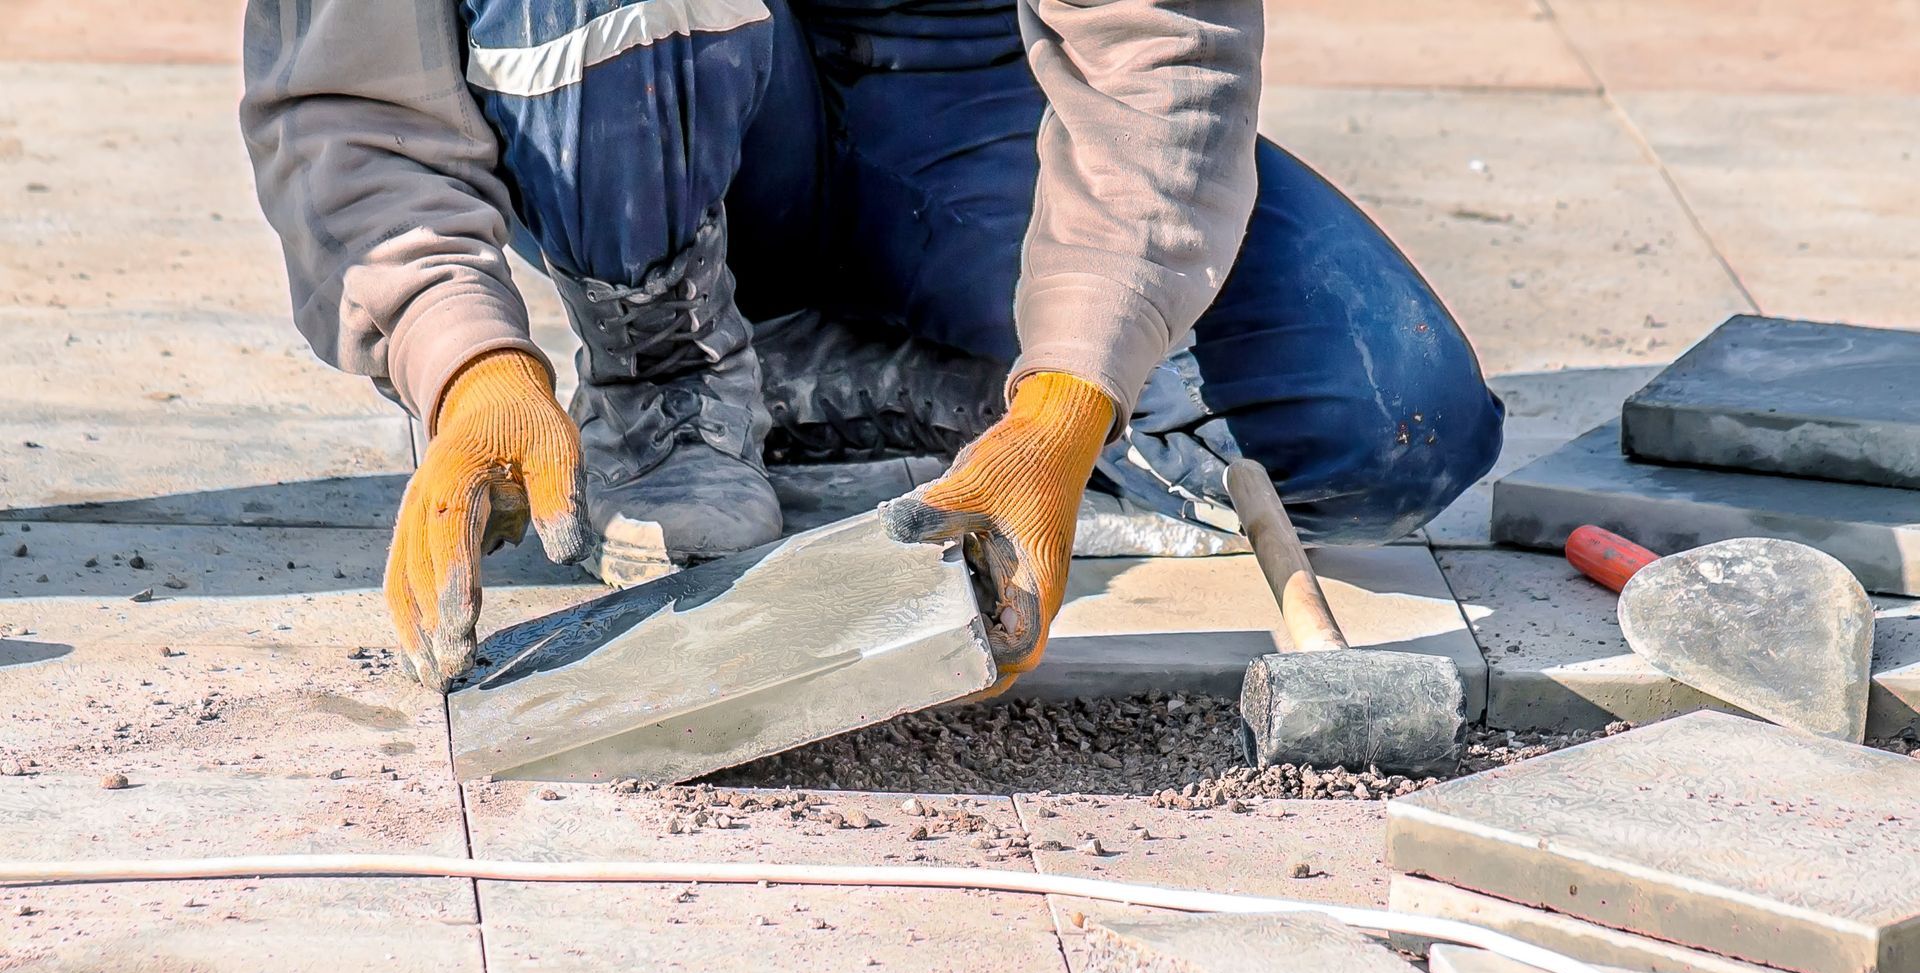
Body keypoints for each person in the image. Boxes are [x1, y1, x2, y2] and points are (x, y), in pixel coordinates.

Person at [240, 0, 1503, 693]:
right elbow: (346, 89)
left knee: (1386, 426)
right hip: (671, 85)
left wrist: (1072, 394)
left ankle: (841, 374)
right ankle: (671, 365)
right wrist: (466, 362)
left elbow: (1158, 39)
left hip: (969, 85)